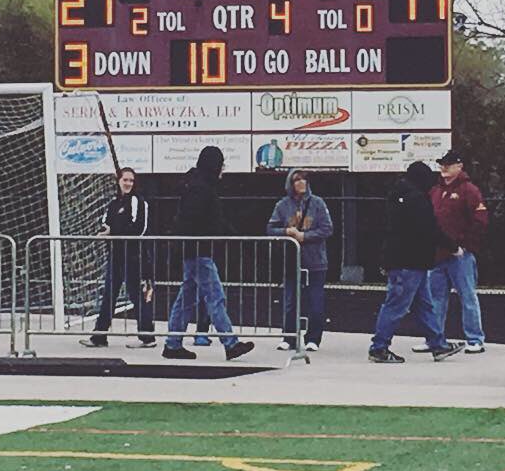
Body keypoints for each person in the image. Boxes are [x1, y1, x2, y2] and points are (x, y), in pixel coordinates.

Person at [162, 145, 254, 361]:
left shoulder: (195, 185)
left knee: (186, 297)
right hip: (198, 250)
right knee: (214, 297)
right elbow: (200, 220)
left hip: (192, 249)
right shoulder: (201, 189)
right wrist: (226, 233)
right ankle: (230, 342)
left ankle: (173, 343)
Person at [368, 160, 465, 363]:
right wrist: (452, 246)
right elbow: (430, 229)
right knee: (396, 305)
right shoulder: (418, 200)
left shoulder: (397, 196)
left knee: (424, 305)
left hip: (405, 260)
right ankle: (379, 347)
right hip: (411, 261)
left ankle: (438, 344)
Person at [414, 149, 489, 354]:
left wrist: (464, 245)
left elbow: (480, 221)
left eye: (448, 164)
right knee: (435, 298)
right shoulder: (435, 191)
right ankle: (435, 338)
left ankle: (475, 339)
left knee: (467, 296)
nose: (444, 168)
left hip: (460, 255)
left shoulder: (469, 190)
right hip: (438, 254)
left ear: (459, 166)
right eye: (441, 164)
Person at [80, 167, 156, 348]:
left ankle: (148, 337)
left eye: (131, 180)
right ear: (118, 181)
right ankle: (99, 336)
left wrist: (113, 231)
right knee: (109, 295)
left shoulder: (139, 202)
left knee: (137, 296)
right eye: (125, 180)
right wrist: (106, 232)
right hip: (116, 255)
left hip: (133, 256)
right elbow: (105, 224)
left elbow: (139, 228)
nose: (128, 183)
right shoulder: (114, 203)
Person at [266, 169, 333, 351]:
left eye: (304, 180)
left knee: (315, 301)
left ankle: (313, 338)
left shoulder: (318, 204)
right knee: (290, 300)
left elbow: (327, 229)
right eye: (297, 180)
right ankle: (289, 336)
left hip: (315, 259)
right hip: (291, 260)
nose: (301, 183)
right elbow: (270, 228)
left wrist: (305, 236)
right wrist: (287, 232)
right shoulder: (282, 205)